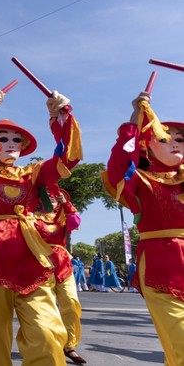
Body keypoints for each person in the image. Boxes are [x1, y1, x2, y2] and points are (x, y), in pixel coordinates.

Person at [0, 87, 82, 365]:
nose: (10, 144)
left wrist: (61, 118)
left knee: (47, 333)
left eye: (16, 140)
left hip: (31, 260)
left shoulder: (33, 174)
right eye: (2, 138)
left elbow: (68, 158)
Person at [103, 90, 184, 365]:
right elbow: (119, 166)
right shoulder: (140, 181)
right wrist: (134, 121)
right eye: (165, 138)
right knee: (181, 340)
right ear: (147, 146)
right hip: (163, 263)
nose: (176, 143)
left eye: (181, 140)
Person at [34, 185, 86, 364]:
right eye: (47, 195)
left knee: (71, 303)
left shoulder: (64, 216)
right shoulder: (33, 217)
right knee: (44, 309)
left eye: (56, 195)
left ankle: (70, 345)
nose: (52, 197)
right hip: (40, 263)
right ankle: (49, 343)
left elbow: (76, 223)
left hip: (63, 263)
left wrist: (68, 205)